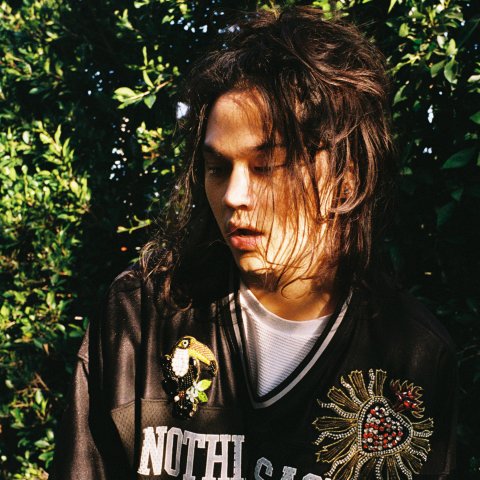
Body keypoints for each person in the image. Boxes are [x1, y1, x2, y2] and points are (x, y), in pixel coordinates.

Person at [50, 6, 457, 480]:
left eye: (267, 166)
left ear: (344, 180)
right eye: (217, 167)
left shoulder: (413, 357)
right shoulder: (142, 317)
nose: (233, 195)